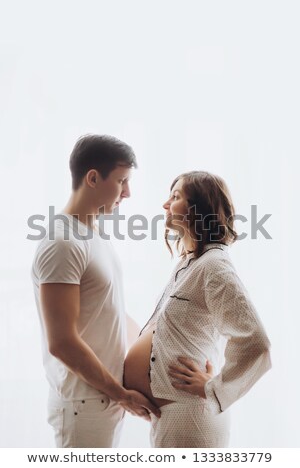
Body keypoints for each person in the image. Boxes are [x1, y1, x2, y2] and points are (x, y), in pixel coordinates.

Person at [124, 170, 271, 448]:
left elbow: (256, 342)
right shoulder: (187, 265)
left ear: (198, 208)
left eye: (176, 196)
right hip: (169, 417)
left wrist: (215, 388)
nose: (165, 205)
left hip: (190, 418)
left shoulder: (214, 265)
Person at [31, 134, 160, 448]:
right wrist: (120, 394)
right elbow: (61, 342)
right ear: (92, 178)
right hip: (84, 405)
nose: (127, 193)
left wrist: (162, 348)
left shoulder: (93, 234)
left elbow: (109, 311)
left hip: (104, 402)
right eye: (121, 181)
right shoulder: (62, 242)